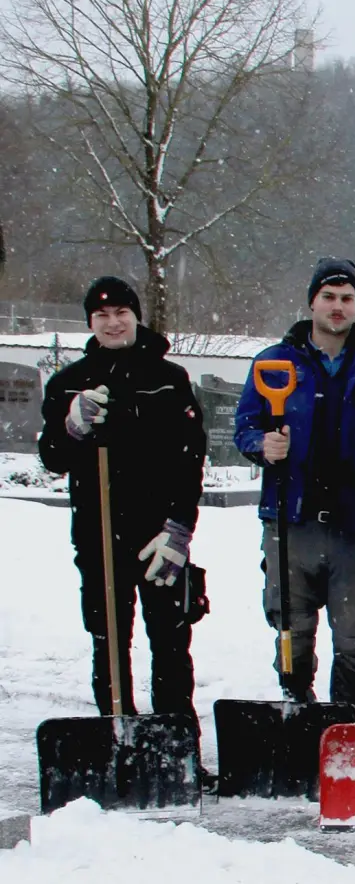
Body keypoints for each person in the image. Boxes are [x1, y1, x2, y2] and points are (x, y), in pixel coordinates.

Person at [38, 277, 208, 748]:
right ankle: (119, 743)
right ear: (90, 323)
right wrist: (72, 425)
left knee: (171, 645)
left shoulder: (169, 380)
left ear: (137, 317)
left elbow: (190, 459)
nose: (113, 323)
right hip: (98, 535)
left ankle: (177, 747)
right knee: (109, 643)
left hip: (158, 536)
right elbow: (51, 455)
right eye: (102, 316)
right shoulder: (69, 382)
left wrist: (179, 530)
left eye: (122, 314)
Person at [234, 259, 355, 721]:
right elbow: (245, 424)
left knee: (353, 638)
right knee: (292, 629)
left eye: (347, 298)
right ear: (311, 302)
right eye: (328, 297)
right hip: (290, 519)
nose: (337, 306)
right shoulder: (274, 362)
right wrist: (260, 444)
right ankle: (298, 713)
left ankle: (354, 726)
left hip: (353, 526)